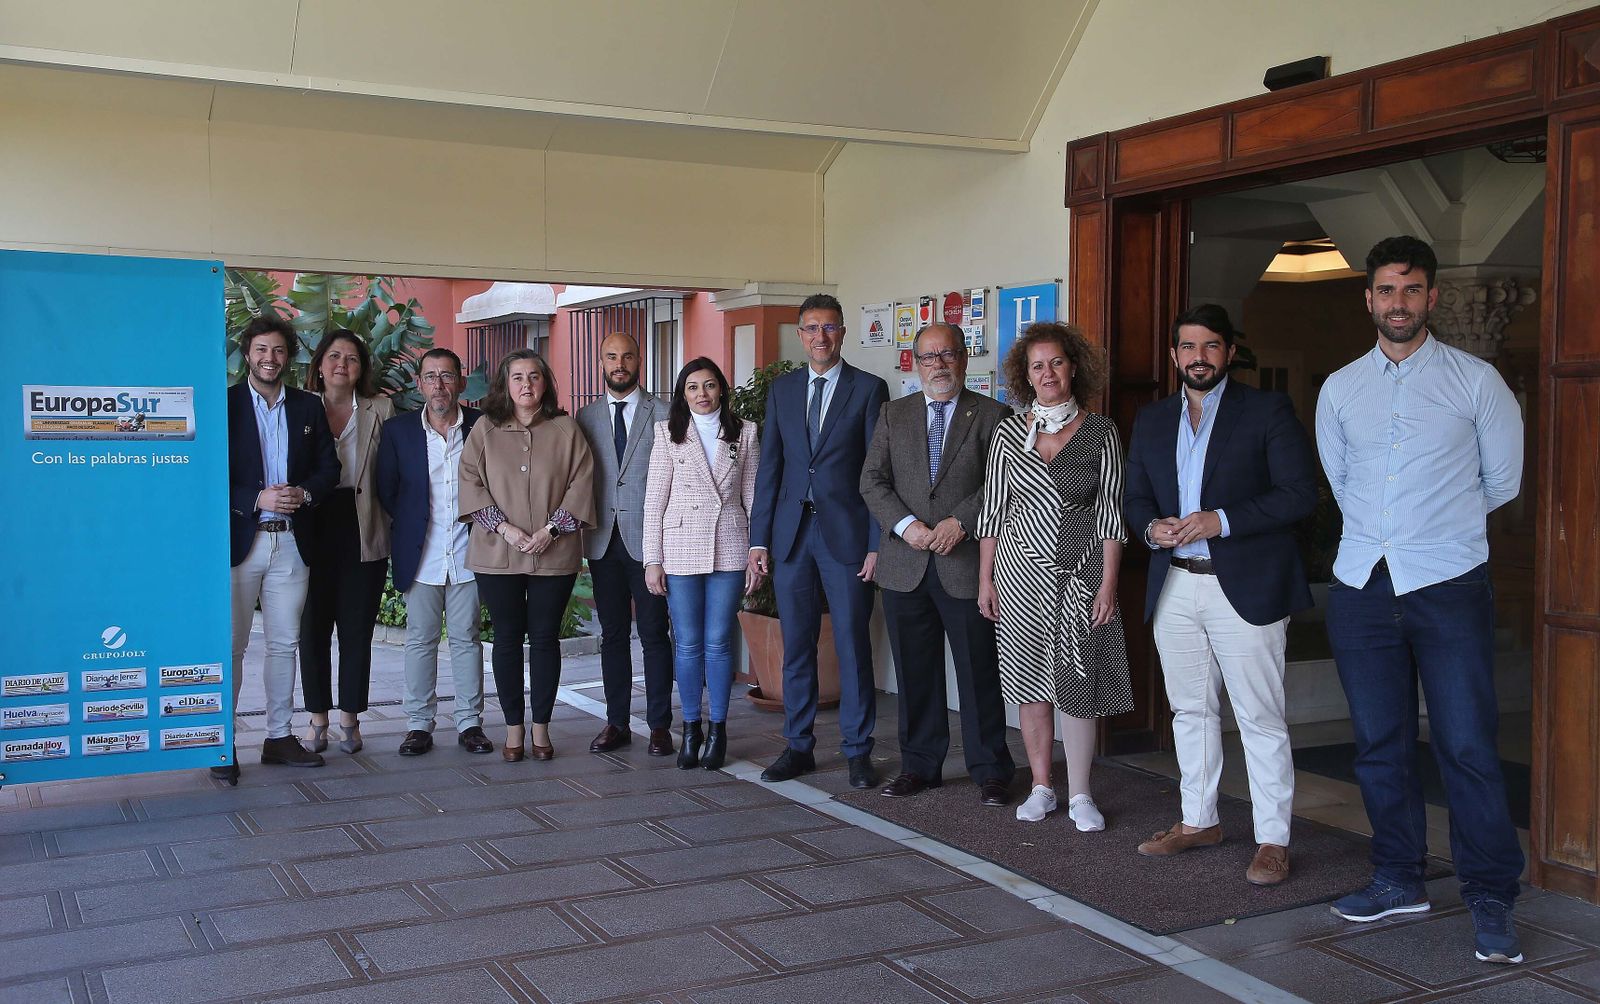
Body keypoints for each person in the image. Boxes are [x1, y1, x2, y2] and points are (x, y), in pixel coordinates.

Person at [1317, 236, 1526, 964]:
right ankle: (1399, 877)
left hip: (1449, 583)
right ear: (1368, 299)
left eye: (1410, 291)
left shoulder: (1477, 381)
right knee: (1379, 746)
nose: (1397, 303)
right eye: (1385, 291)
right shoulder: (1341, 388)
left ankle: (1492, 893)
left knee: (1467, 744)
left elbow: (1503, 482)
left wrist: (1435, 533)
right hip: (1362, 586)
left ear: (1431, 297)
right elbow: (1342, 485)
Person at [1123, 304, 1319, 885]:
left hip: (1246, 584)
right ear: (1175, 355)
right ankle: (1197, 820)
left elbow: (1298, 494)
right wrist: (1149, 528)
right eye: (1188, 347)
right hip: (1175, 581)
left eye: (1210, 346)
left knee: (1259, 717)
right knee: (1189, 710)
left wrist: (1221, 521)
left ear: (1230, 352)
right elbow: (1135, 496)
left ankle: (1273, 838)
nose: (1198, 357)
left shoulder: (1266, 409)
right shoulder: (1153, 419)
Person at [977, 322, 1131, 826]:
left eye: (1057, 362)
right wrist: (987, 580)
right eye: (1037, 365)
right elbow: (993, 514)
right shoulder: (1006, 431)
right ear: (1026, 375)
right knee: (1028, 687)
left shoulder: (1101, 432)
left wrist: (1108, 583)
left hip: (1079, 577)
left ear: (1074, 368)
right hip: (1017, 575)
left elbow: (1111, 511)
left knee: (1077, 685)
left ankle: (1082, 793)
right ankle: (1042, 786)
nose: (1048, 373)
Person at [861, 323, 1017, 806]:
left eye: (947, 355)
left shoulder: (993, 414)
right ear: (915, 363)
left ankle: (990, 768)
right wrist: (908, 526)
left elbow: (1004, 480)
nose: (939, 365)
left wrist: (960, 522)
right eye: (929, 357)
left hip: (966, 563)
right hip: (906, 565)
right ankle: (920, 766)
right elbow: (872, 481)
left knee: (978, 673)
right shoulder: (894, 414)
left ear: (964, 359)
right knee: (915, 674)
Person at [749, 293, 890, 788]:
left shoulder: (869, 389)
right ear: (800, 334)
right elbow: (770, 468)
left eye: (829, 328)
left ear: (843, 332)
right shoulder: (784, 390)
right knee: (797, 646)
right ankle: (799, 746)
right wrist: (758, 541)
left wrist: (877, 543)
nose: (820, 337)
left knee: (852, 644)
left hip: (847, 536)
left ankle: (857, 751)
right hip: (791, 536)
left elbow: (878, 473)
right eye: (811, 328)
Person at [459, 349, 595, 763]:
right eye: (516, 377)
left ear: (545, 382)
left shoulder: (566, 428)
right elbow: (470, 480)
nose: (526, 385)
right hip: (497, 552)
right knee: (504, 639)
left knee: (544, 639)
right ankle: (513, 729)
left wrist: (551, 529)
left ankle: (542, 728)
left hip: (553, 552)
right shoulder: (485, 428)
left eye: (533, 376)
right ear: (505, 384)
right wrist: (505, 528)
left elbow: (582, 482)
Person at [223, 315, 339, 779]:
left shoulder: (308, 407)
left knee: (284, 644)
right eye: (261, 350)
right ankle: (221, 744)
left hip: (291, 543)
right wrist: (255, 498)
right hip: (239, 544)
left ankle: (278, 737)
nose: (269, 359)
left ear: (288, 357)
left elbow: (329, 469)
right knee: (230, 646)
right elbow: (204, 474)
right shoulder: (224, 404)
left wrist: (305, 493)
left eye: (278, 351)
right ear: (247, 354)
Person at [641, 357, 762, 770]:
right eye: (693, 387)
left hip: (729, 544)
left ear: (722, 389)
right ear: (682, 393)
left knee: (719, 642)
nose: (702, 394)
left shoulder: (744, 433)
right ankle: (690, 727)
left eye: (709, 385)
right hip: (679, 548)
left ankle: (719, 729)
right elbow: (653, 501)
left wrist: (756, 551)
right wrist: (652, 560)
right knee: (688, 643)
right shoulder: (667, 433)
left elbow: (753, 498)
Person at [376, 347, 494, 757]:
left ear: (461, 382)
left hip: (469, 552)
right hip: (421, 553)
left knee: (466, 639)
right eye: (431, 376)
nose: (439, 384)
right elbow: (387, 490)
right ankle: (418, 725)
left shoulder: (483, 426)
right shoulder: (399, 432)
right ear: (419, 383)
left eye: (447, 376)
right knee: (420, 641)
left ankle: (469, 723)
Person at [576, 333, 675, 756]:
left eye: (627, 356)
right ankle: (616, 722)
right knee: (612, 634)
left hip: (649, 543)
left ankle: (659, 726)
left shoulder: (667, 413)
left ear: (640, 360)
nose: (620, 363)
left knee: (654, 633)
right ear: (601, 361)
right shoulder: (585, 416)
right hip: (602, 542)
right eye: (611, 356)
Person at [297, 329, 393, 755]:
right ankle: (317, 720)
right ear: (319, 365)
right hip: (310, 524)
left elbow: (394, 471)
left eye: (351, 359)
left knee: (356, 630)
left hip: (361, 525)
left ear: (361, 369)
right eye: (333, 356)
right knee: (312, 628)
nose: (342, 365)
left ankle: (351, 720)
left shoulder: (381, 408)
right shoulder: (298, 406)